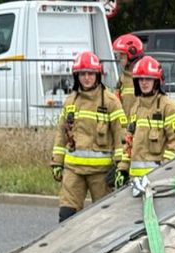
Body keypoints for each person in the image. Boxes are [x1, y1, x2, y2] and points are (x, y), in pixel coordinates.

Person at [51, 51, 126, 222]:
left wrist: (120, 166)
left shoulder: (110, 102)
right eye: (82, 74)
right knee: (66, 216)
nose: (86, 78)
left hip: (100, 173)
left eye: (90, 74)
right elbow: (61, 134)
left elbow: (120, 136)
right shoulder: (70, 101)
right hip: (73, 170)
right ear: (76, 76)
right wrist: (56, 161)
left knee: (103, 219)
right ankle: (69, 248)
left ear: (97, 75)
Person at [117, 56, 175, 197]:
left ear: (157, 81)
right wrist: (123, 168)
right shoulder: (135, 107)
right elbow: (129, 141)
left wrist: (164, 173)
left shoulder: (168, 107)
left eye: (148, 79)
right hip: (134, 182)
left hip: (157, 183)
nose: (144, 83)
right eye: (140, 79)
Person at [112, 34, 145, 116]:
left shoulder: (144, 78)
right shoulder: (123, 77)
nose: (119, 58)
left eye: (121, 55)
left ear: (132, 53)